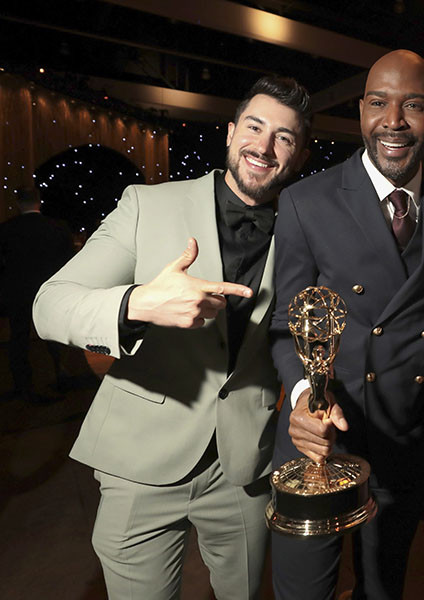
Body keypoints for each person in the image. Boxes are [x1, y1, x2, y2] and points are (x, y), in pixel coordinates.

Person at [32, 75, 312, 599]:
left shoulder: (303, 231)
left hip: (243, 468)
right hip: (139, 461)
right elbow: (49, 305)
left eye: (285, 138)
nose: (265, 146)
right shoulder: (146, 204)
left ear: (295, 157)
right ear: (230, 134)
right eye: (254, 127)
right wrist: (138, 303)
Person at [269, 49, 424, 600]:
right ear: (361, 110)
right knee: (304, 589)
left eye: (414, 105)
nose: (394, 121)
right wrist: (301, 401)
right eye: (379, 103)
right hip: (318, 437)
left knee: (384, 588)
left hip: (401, 438)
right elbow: (283, 324)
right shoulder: (304, 202)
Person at [0, 187, 73, 401]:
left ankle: (22, 385)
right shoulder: (58, 228)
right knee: (53, 336)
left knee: (19, 339)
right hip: (48, 291)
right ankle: (61, 376)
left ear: (18, 202)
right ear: (39, 202)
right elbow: (68, 261)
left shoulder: (6, 229)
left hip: (18, 291)